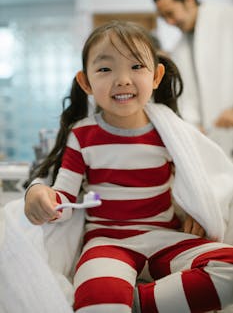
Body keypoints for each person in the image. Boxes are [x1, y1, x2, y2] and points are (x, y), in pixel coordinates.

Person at [24, 20, 233, 313]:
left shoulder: (171, 131)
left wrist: (195, 212)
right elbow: (66, 198)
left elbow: (200, 180)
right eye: (105, 69)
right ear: (86, 82)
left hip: (166, 238)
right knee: (96, 303)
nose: (122, 79)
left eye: (136, 66)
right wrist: (40, 196)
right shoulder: (82, 135)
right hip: (107, 242)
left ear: (157, 76)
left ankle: (137, 302)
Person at [153, 0, 233, 157]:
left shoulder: (227, 18)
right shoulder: (182, 46)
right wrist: (192, 125)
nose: (169, 22)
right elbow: (186, 94)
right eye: (164, 18)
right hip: (215, 138)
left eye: (170, 13)